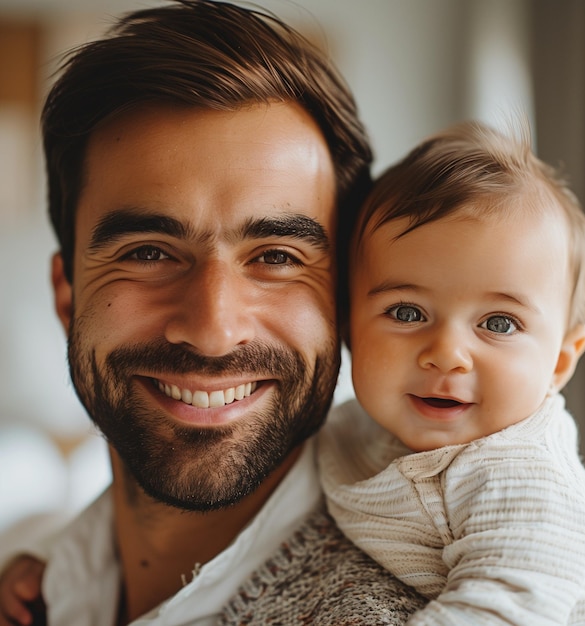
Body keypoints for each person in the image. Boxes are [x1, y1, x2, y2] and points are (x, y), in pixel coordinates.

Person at [0, 1, 429, 624]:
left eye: (277, 256)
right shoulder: (29, 565)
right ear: (67, 294)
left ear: (344, 302)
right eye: (148, 252)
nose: (212, 329)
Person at [317, 120, 585, 623]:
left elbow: (499, 613)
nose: (447, 354)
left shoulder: (525, 479)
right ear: (348, 330)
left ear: (560, 362)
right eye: (407, 312)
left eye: (498, 323)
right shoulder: (348, 429)